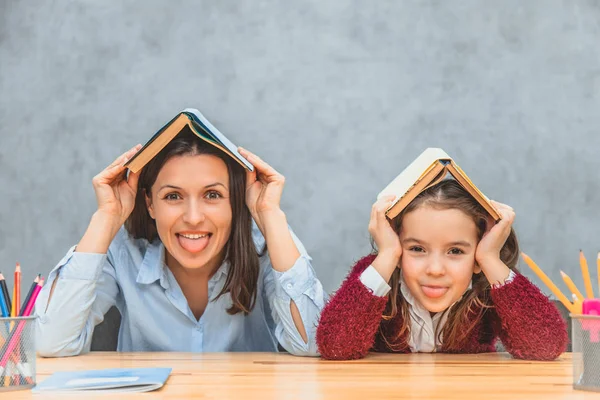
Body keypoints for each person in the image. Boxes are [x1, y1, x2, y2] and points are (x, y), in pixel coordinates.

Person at [36, 127, 325, 356]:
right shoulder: (123, 251)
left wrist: (269, 214)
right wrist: (106, 217)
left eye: (212, 195)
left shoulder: (265, 247)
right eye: (173, 196)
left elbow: (312, 343)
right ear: (150, 204)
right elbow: (50, 342)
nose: (194, 217)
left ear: (235, 203)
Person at [316, 179, 567, 360]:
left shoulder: (490, 286)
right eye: (417, 249)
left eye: (455, 251)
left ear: (477, 254)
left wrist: (490, 259)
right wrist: (387, 256)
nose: (435, 269)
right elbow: (335, 347)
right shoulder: (377, 275)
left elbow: (546, 347)